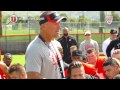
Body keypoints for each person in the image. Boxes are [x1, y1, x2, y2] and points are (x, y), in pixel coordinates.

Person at [25, 11, 67, 79]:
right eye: (55, 23)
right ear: (43, 26)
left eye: (59, 23)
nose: (59, 27)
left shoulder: (54, 43)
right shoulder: (34, 48)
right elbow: (32, 75)